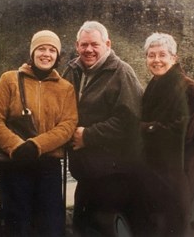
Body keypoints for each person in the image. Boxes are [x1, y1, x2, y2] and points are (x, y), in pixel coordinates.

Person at [0, 30, 78, 237]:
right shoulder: (9, 79)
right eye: (41, 49)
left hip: (48, 167)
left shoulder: (66, 89)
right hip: (15, 164)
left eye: (52, 50)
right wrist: (17, 146)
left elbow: (67, 125)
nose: (46, 54)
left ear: (58, 56)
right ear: (32, 52)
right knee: (16, 227)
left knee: (51, 227)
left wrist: (36, 145)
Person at [62, 21, 143, 236]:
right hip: (86, 173)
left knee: (109, 229)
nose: (89, 50)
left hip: (114, 176)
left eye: (95, 45)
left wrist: (88, 136)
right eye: (84, 44)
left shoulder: (122, 72)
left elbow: (130, 121)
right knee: (82, 227)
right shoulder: (72, 70)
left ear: (107, 44)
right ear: (77, 45)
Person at [139, 32, 194, 236]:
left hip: (182, 176)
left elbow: (180, 133)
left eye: (162, 55)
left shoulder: (187, 88)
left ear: (174, 58)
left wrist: (143, 128)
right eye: (151, 55)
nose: (156, 60)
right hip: (160, 176)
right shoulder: (155, 85)